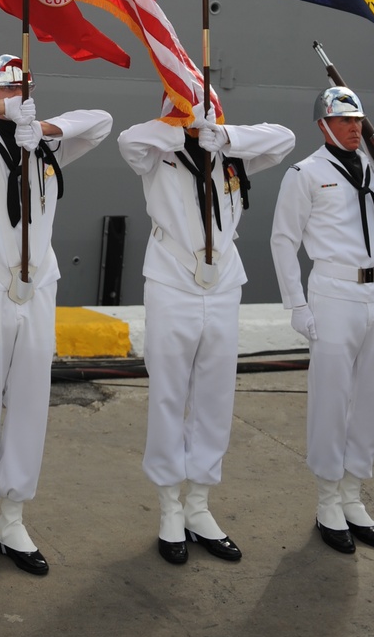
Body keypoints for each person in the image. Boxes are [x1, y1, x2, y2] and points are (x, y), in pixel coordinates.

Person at [0, 55, 112, 581]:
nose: (14, 95)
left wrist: (43, 127)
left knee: (31, 399)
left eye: (23, 88)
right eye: (5, 88)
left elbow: (100, 121)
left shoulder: (46, 143)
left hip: (38, 284)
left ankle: (14, 516)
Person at [118, 100, 294, 565]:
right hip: (172, 280)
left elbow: (284, 138)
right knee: (169, 395)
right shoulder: (158, 153)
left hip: (222, 284)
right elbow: (127, 140)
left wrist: (227, 136)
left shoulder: (229, 152)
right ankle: (169, 508)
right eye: (190, 112)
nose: (200, 121)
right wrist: (179, 129)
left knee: (215, 396)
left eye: (205, 112)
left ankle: (198, 505)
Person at [270, 87, 374, 554]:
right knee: (331, 397)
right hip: (332, 293)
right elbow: (283, 241)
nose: (354, 128)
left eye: (359, 120)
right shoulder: (304, 174)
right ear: (322, 125)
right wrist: (296, 305)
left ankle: (353, 497)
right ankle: (328, 501)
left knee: (371, 397)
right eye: (344, 120)